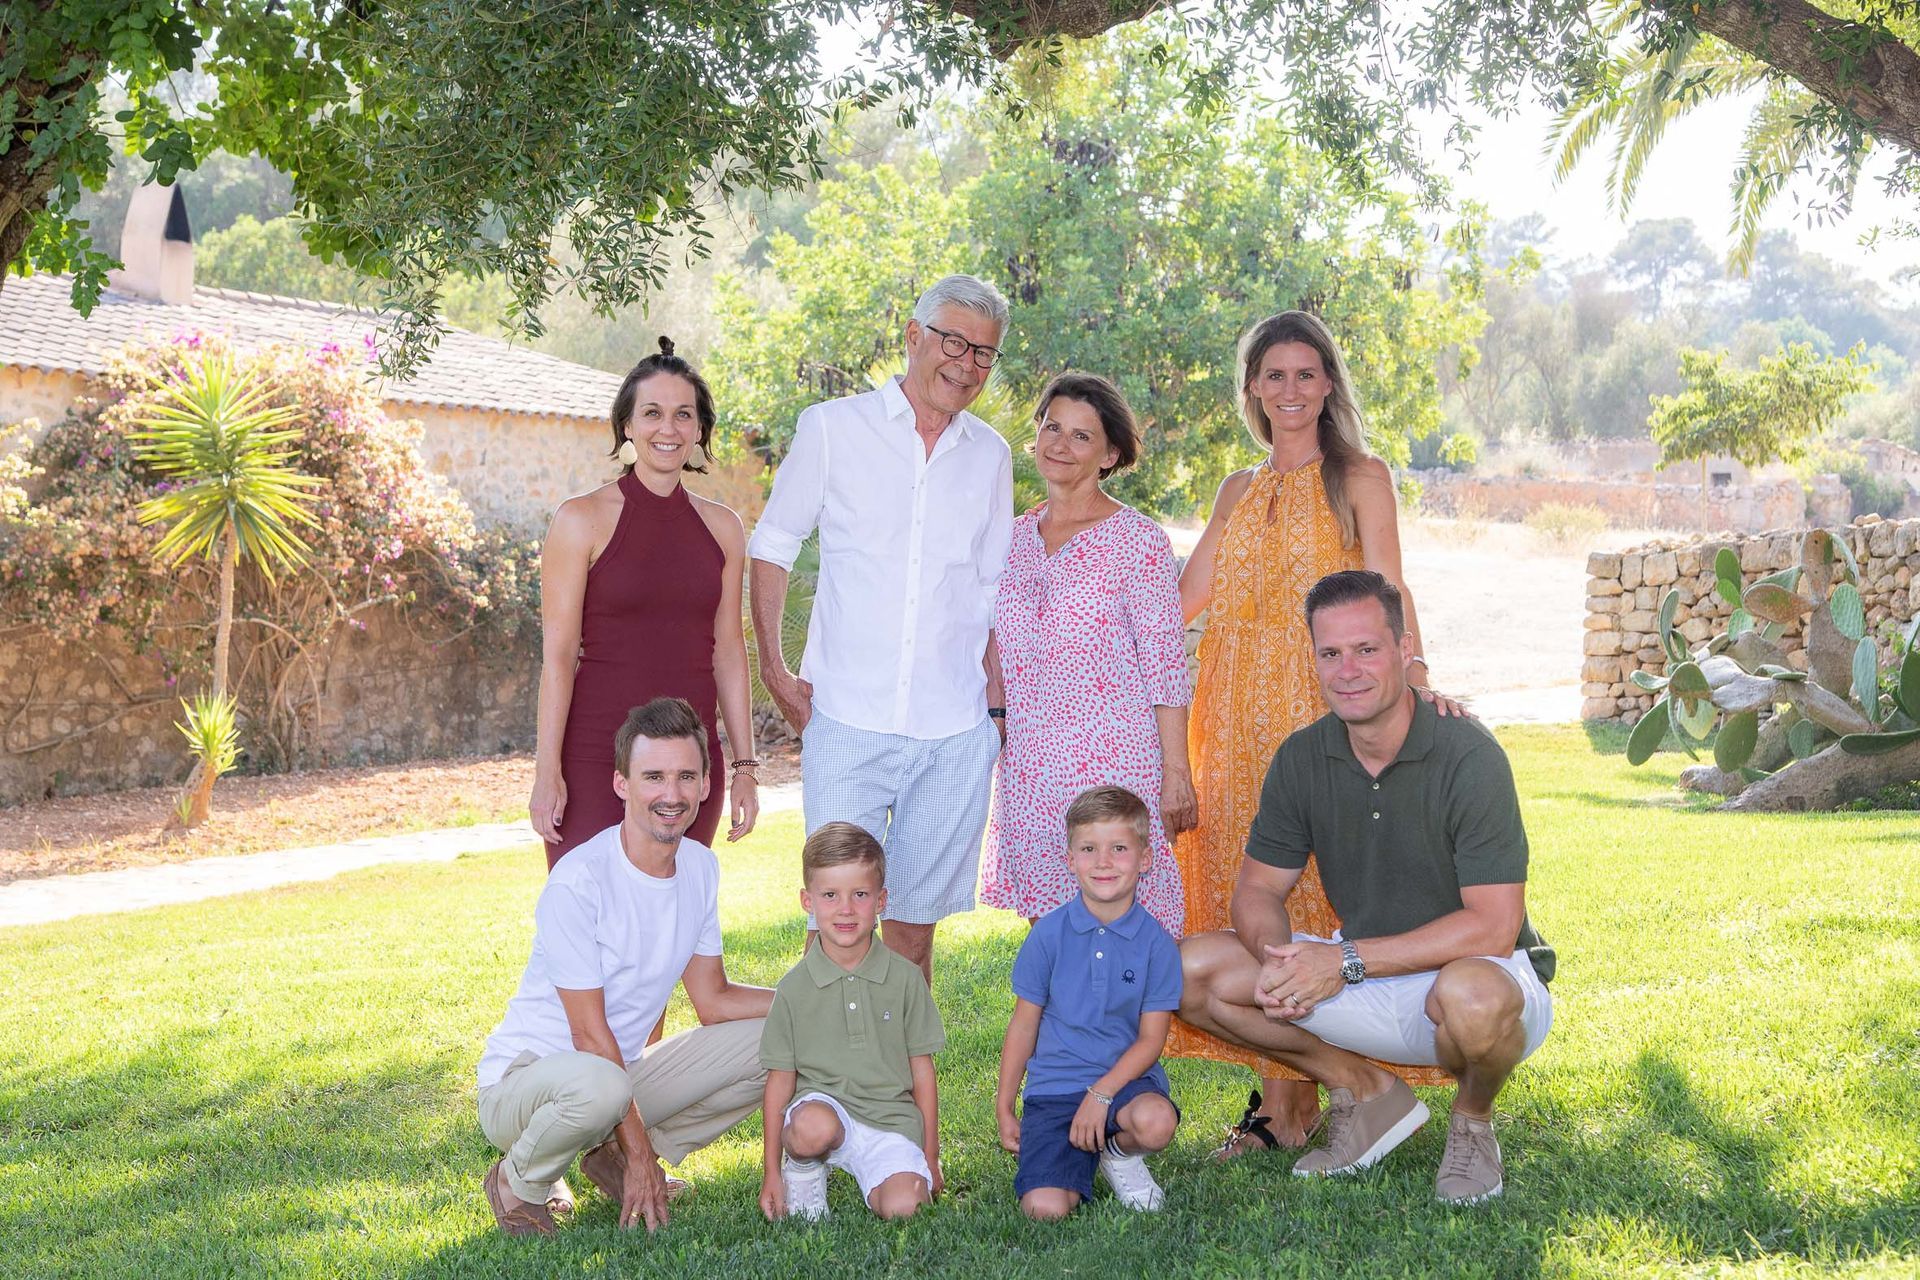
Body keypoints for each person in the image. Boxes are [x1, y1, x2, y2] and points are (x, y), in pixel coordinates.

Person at [1170, 310, 1460, 1156]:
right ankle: (1284, 1101)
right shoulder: (1237, 488)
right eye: (1273, 376)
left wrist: (1415, 681)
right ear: (1252, 389)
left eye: (1305, 374)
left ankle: (1330, 1091)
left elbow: (1390, 590)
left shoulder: (1360, 477)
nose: (1289, 391)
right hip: (1229, 721)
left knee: (1315, 897)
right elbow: (1183, 599)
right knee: (1247, 895)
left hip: (1320, 708)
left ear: (1328, 383)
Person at [1178, 571, 1554, 1204]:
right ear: (1314, 660)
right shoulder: (1303, 757)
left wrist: (1342, 962)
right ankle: (1367, 1092)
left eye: (1367, 649)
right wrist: (1280, 962)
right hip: (1363, 977)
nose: (1347, 670)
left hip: (1478, 977)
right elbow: (1256, 892)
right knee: (1188, 971)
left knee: (1473, 995)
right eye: (1331, 653)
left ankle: (1473, 1124)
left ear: (1405, 650)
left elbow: (1491, 926)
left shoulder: (1470, 754)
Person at [750, 275, 1015, 984]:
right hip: (847, 720)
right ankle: (816, 1096)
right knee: (833, 931)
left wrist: (994, 713)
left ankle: (897, 1097)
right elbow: (772, 544)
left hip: (953, 733)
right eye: (952, 341)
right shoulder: (832, 429)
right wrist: (775, 671)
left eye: (984, 354)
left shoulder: (991, 456)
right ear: (912, 336)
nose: (965, 364)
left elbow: (990, 591)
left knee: (910, 940)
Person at [476, 698, 774, 1236]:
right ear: (622, 785)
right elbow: (589, 1036)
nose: (672, 794)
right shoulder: (579, 880)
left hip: (612, 1080)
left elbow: (714, 998)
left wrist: (809, 1000)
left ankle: (608, 1157)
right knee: (602, 1085)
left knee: (779, 1038)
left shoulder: (701, 869)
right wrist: (644, 1157)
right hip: (522, 1085)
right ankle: (516, 1182)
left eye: (686, 776)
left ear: (707, 785)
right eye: (653, 776)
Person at [530, 337, 759, 866]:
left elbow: (727, 650)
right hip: (595, 759)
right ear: (627, 426)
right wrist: (547, 771)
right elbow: (558, 657)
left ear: (699, 430)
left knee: (676, 926)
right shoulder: (579, 520)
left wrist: (745, 768)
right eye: (652, 413)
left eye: (684, 415)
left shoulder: (723, 528)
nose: (668, 428)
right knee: (589, 924)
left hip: (689, 767)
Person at [981, 373, 1195, 935]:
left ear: (1110, 455)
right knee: (1051, 938)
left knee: (1126, 938)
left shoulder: (1139, 540)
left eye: (1081, 436)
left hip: (1113, 766)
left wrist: (1176, 772)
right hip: (1030, 769)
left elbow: (1166, 669)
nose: (1059, 444)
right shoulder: (1012, 537)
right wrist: (998, 720)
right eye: (1052, 427)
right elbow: (995, 647)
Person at [995, 786, 1184, 1218]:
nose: (1103, 861)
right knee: (1044, 1210)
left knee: (1157, 1123)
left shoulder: (1157, 944)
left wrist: (1100, 1095)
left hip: (1125, 1088)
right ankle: (1074, 1159)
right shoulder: (1047, 935)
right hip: (1055, 1091)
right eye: (1088, 848)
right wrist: (1005, 1105)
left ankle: (1117, 1152)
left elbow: (1151, 1041)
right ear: (1070, 859)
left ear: (1145, 859)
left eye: (1119, 848)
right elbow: (1023, 1026)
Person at [759, 823, 944, 1222]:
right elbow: (779, 1083)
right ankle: (804, 1169)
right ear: (808, 902)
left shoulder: (907, 979)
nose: (845, 909)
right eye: (830, 895)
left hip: (890, 1122)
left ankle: (887, 1175)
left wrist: (930, 1156)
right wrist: (770, 1171)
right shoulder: (793, 988)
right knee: (810, 1125)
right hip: (823, 1112)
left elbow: (922, 1072)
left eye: (860, 895)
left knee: (906, 1207)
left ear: (881, 901)